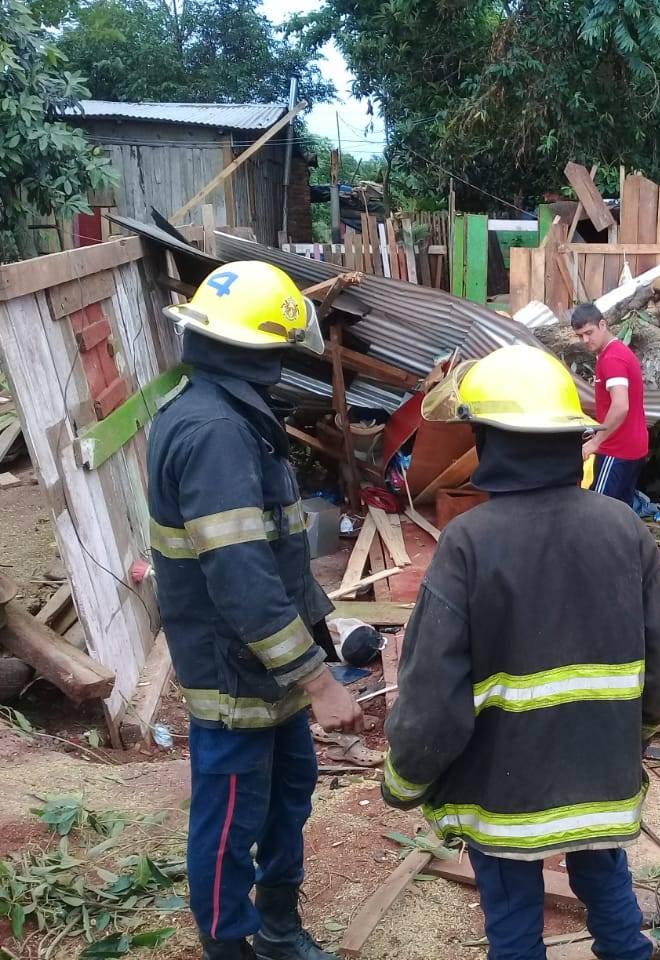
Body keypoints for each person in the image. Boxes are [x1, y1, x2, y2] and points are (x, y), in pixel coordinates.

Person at [381, 344, 660, 960]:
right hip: (602, 768)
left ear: (487, 441)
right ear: (571, 439)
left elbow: (433, 690)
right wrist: (632, 738)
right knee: (607, 882)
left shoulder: (468, 543)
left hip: (505, 789)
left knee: (513, 917)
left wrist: (404, 778)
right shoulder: (626, 530)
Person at [148, 261, 363, 960]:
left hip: (266, 670)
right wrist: (320, 682)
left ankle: (276, 926)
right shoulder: (215, 431)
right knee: (232, 818)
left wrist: (319, 641)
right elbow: (241, 577)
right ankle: (230, 946)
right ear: (261, 351)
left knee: (286, 796)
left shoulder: (227, 413)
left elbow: (273, 552)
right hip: (235, 674)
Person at [570, 303, 649, 505]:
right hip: (632, 446)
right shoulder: (616, 352)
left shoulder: (612, 359)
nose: (585, 340)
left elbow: (621, 405)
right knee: (620, 511)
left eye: (589, 332)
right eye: (580, 336)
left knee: (599, 511)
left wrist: (596, 442)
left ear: (603, 325)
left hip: (617, 450)